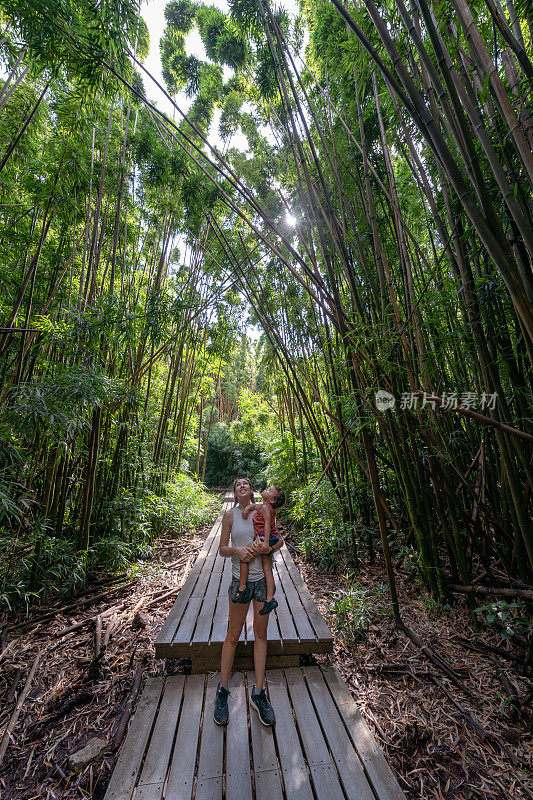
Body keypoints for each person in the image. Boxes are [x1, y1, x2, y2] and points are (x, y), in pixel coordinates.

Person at [214, 477, 282, 727]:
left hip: (262, 581)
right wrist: (237, 551)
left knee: (261, 635)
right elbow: (222, 549)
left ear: (252, 490)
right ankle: (222, 690)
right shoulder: (230, 515)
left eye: (246, 483)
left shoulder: (263, 510)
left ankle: (259, 692)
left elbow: (279, 538)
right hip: (239, 580)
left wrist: (269, 548)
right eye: (237, 485)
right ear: (234, 492)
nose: (242, 486)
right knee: (233, 635)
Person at [235, 486, 285, 616]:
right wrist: (247, 508)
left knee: (244, 556)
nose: (266, 490)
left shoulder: (264, 508)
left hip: (264, 538)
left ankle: (242, 589)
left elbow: (268, 524)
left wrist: (266, 544)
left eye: (269, 491)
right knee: (267, 568)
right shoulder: (265, 507)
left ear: (272, 500)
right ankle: (269, 599)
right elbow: (254, 506)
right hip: (269, 538)